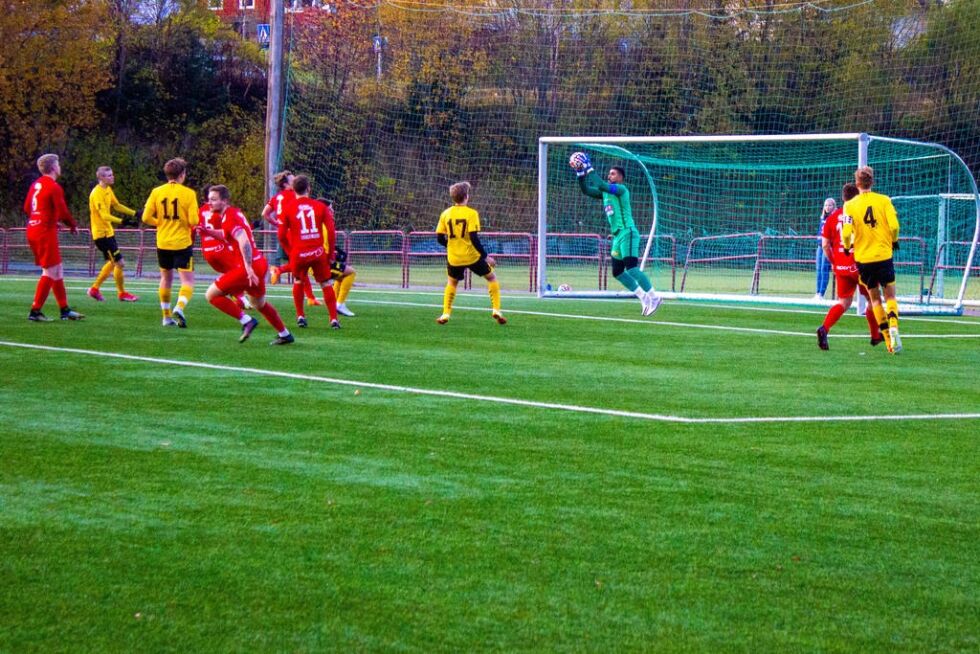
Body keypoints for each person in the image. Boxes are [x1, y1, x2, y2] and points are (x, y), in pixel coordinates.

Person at [201, 185, 294, 345]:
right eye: (209, 200)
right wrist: (208, 232)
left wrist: (248, 267)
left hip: (247, 267)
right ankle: (285, 334)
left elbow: (243, 240)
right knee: (259, 304)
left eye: (214, 200)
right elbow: (227, 234)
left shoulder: (229, 217)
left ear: (224, 200)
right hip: (259, 263)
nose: (210, 203)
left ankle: (246, 321)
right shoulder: (232, 213)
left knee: (211, 295)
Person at [570, 152, 660, 315]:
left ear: (620, 178)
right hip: (617, 236)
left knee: (632, 269)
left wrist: (588, 166)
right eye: (609, 173)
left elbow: (602, 185)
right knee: (617, 272)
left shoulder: (620, 189)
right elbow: (586, 190)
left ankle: (654, 297)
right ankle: (643, 297)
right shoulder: (605, 192)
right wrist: (580, 173)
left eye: (613, 173)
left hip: (628, 232)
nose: (609, 175)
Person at [841, 165, 903, 354]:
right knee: (890, 295)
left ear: (857, 184)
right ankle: (894, 325)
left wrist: (846, 246)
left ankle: (889, 344)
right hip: (883, 255)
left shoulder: (850, 205)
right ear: (872, 182)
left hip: (864, 258)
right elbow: (894, 226)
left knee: (875, 300)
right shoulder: (884, 200)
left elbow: (846, 232)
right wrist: (894, 240)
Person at [816, 183, 883, 350]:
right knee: (872, 299)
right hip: (861, 265)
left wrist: (834, 262)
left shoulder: (833, 217)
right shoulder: (861, 215)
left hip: (841, 267)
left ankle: (824, 328)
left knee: (844, 302)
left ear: (843, 198)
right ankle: (875, 335)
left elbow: (825, 245)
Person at [435, 181, 506, 325]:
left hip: (454, 257)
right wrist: (486, 257)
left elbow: (439, 238)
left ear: (453, 197)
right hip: (471, 256)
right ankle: (496, 310)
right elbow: (474, 238)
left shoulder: (445, 214)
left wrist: (450, 246)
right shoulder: (472, 213)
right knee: (491, 278)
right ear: (466, 197)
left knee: (452, 283)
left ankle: (445, 314)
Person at [23, 153, 84, 321]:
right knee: (49, 271)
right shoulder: (53, 186)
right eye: (58, 164)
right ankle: (35, 311)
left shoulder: (36, 185)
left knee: (57, 269)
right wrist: (72, 225)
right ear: (53, 167)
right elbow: (63, 211)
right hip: (44, 231)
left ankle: (65, 310)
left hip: (34, 228)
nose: (60, 166)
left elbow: (28, 208)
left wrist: (46, 219)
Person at [142, 158, 199, 328]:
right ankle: (179, 307)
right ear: (182, 174)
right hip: (182, 242)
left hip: (163, 242)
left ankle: (166, 317)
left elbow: (145, 218)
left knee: (166, 279)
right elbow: (194, 220)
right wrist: (185, 223)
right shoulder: (188, 193)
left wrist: (159, 222)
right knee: (187, 281)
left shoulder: (156, 192)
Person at [281, 176, 340, 329]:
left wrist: (290, 252)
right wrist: (330, 253)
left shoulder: (288, 208)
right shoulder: (320, 207)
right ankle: (333, 319)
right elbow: (332, 232)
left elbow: (280, 235)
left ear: (293, 189)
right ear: (309, 188)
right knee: (326, 283)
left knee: (299, 281)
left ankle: (301, 316)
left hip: (299, 254)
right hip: (317, 252)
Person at [262, 170, 319, 306]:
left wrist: (277, 223)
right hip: (294, 233)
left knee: (301, 265)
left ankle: (311, 298)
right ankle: (279, 270)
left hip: (284, 232)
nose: (296, 182)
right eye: (293, 180)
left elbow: (265, 214)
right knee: (303, 263)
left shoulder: (277, 197)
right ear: (286, 184)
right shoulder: (294, 195)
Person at [87, 166, 139, 303]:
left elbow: (116, 205)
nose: (112, 177)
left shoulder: (108, 190)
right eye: (109, 175)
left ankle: (95, 289)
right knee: (119, 263)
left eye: (112, 174)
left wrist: (134, 213)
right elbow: (104, 215)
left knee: (113, 262)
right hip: (101, 234)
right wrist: (122, 221)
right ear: (101, 178)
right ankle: (121, 293)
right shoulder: (96, 193)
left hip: (108, 232)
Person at [317, 197, 357, 317]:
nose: (333, 211)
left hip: (318, 261)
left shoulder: (318, 223)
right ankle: (340, 304)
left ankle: (334, 303)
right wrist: (331, 256)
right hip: (321, 263)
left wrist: (335, 251)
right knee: (351, 273)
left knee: (342, 276)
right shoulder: (323, 226)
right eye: (330, 209)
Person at [815, 197, 835, 300]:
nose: (827, 207)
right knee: (818, 269)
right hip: (819, 246)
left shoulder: (834, 218)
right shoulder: (822, 217)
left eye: (830, 205)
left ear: (833, 206)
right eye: (826, 205)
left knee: (824, 268)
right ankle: (817, 293)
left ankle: (821, 294)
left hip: (828, 246)